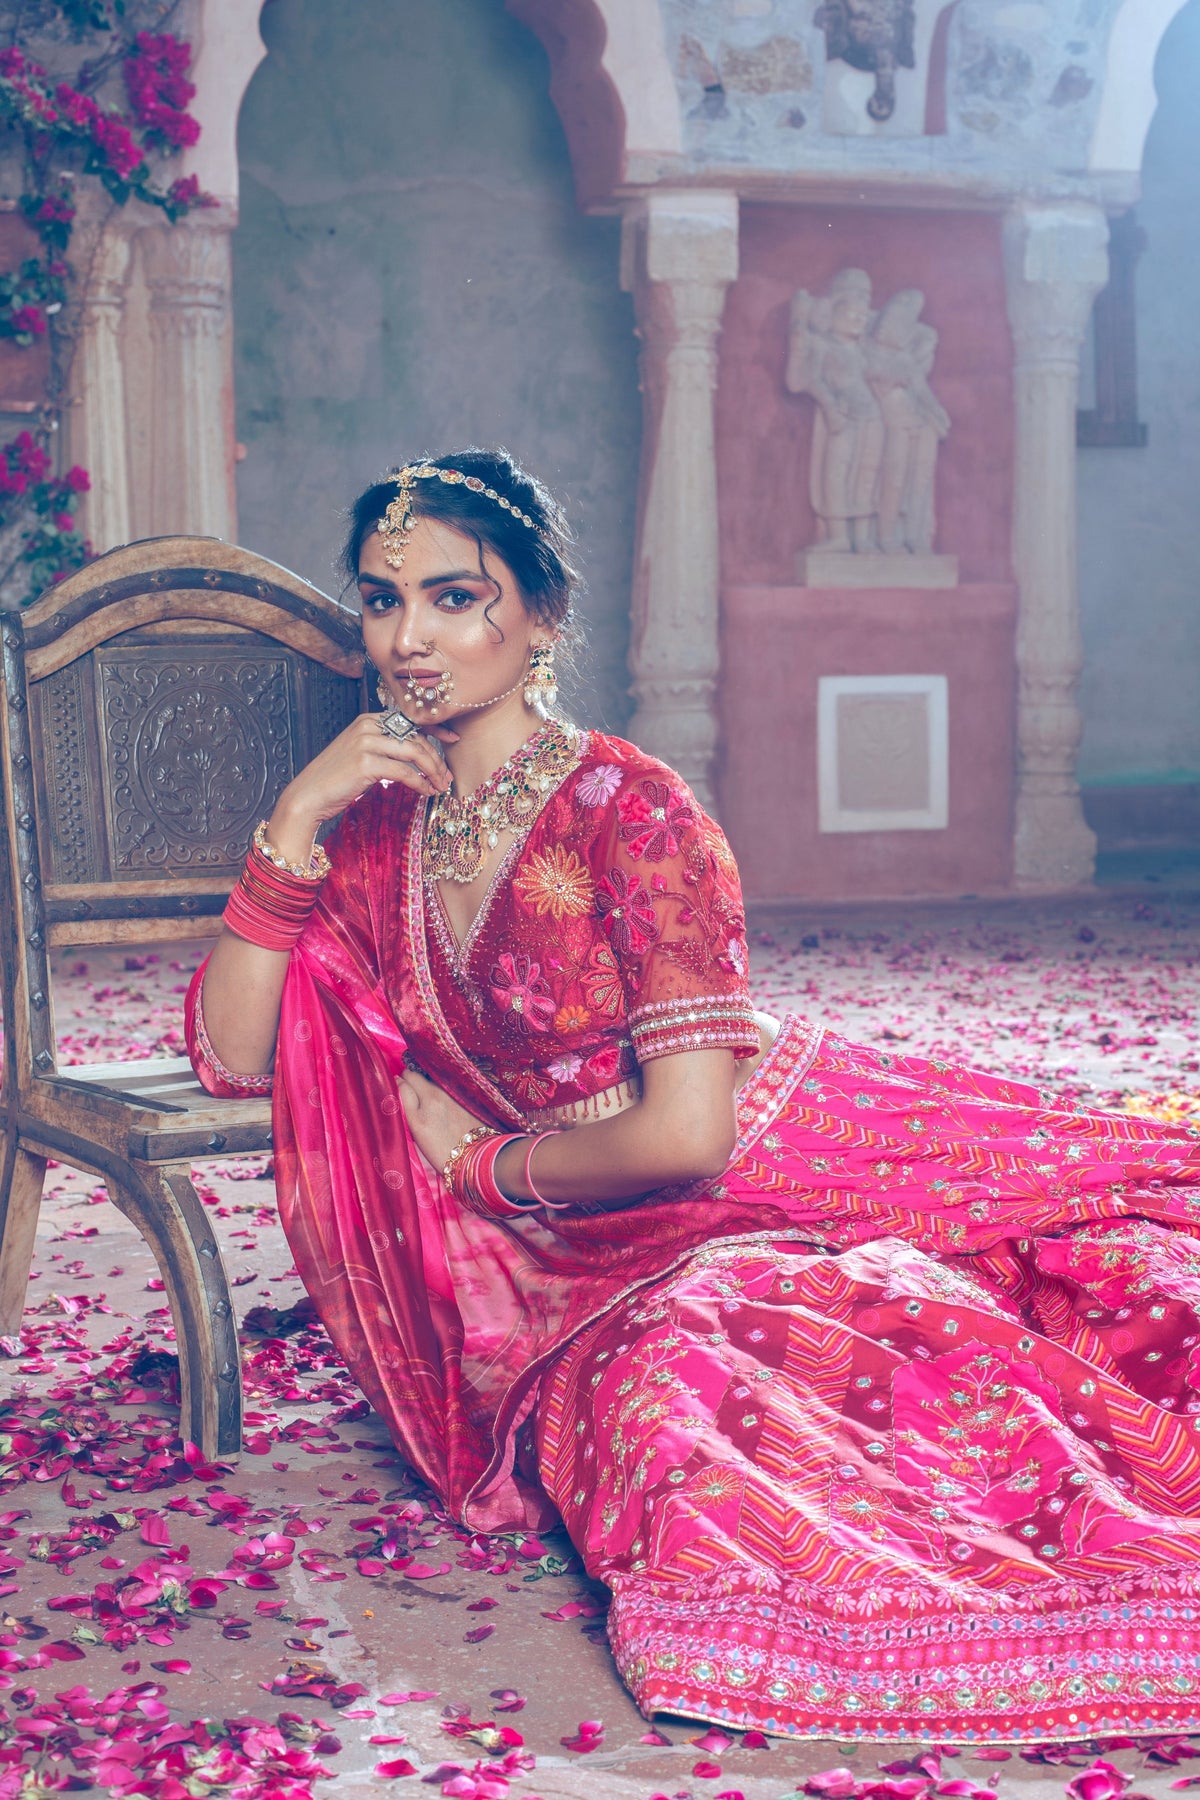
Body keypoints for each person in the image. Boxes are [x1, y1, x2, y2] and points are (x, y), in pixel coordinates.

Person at [188, 448, 1200, 1747]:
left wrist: (482, 1171)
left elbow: (690, 1132)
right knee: (681, 1413)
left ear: (541, 613)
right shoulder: (379, 833)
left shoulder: (631, 812)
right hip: (579, 1247)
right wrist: (298, 809)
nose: (408, 639)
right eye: (383, 603)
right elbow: (232, 1051)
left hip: (765, 1167)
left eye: (455, 598)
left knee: (1093, 1271)